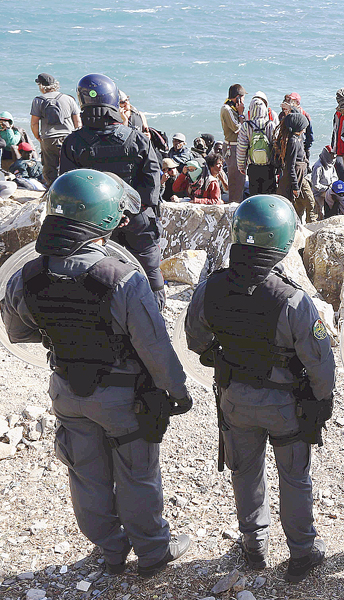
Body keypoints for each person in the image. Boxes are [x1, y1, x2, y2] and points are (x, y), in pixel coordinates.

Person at [2, 170, 193, 578]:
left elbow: (18, 333)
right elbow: (154, 348)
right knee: (137, 474)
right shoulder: (122, 278)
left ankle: (109, 551)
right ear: (105, 219)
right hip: (122, 398)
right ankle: (154, 552)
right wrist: (177, 391)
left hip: (66, 391)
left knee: (85, 474)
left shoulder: (28, 275)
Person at [184, 195, 334, 583]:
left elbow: (194, 339)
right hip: (285, 405)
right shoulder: (293, 300)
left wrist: (219, 356)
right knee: (295, 476)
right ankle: (301, 552)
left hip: (234, 398)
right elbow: (320, 362)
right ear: (282, 242)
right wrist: (323, 399)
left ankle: (254, 546)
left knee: (245, 472)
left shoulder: (210, 287)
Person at [60, 73, 166, 309]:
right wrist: (130, 213)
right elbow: (152, 185)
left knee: (97, 274)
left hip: (95, 225)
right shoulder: (137, 138)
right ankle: (156, 314)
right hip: (136, 218)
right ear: (113, 101)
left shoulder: (73, 142)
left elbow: (68, 187)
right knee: (149, 268)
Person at [30, 73, 81, 186]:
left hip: (49, 138)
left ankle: (51, 189)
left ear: (41, 86)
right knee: (69, 164)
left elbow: (34, 123)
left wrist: (38, 136)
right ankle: (70, 188)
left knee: (49, 167)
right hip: (69, 137)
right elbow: (78, 122)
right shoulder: (68, 98)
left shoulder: (38, 100)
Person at [277, 112, 315, 222]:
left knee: (304, 202)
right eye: (303, 127)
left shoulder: (298, 139)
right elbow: (290, 165)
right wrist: (295, 186)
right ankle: (305, 223)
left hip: (301, 176)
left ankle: (301, 223)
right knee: (309, 201)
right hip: (296, 177)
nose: (304, 129)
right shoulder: (293, 141)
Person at [237, 94, 277, 195]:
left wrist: (241, 166)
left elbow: (242, 148)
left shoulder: (246, 126)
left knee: (255, 195)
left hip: (253, 167)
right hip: (269, 167)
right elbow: (276, 146)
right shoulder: (270, 124)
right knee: (269, 195)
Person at [220, 84, 247, 204]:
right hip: (233, 147)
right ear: (238, 98)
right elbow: (239, 129)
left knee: (240, 180)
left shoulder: (233, 109)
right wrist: (241, 114)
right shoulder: (227, 109)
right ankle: (234, 207)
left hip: (237, 146)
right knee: (235, 180)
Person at [283, 93, 313, 161]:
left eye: (293, 100)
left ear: (298, 102)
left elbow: (310, 133)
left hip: (302, 145)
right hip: (290, 145)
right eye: (290, 100)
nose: (291, 102)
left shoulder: (305, 115)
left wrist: (307, 147)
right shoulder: (286, 114)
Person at [311, 145, 337, 214]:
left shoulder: (331, 164)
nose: (333, 157)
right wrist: (327, 188)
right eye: (331, 155)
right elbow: (315, 185)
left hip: (329, 190)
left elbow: (335, 177)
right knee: (319, 214)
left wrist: (333, 185)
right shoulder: (318, 166)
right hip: (319, 193)